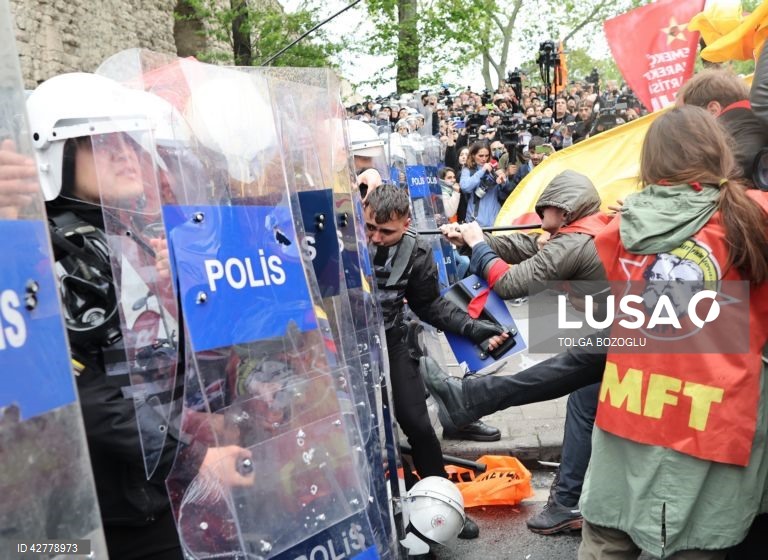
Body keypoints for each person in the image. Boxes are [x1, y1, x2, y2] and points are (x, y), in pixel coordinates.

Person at [27, 72, 253, 560]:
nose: (126, 154)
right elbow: (87, 394)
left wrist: (188, 293)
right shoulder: (52, 250)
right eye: (102, 143)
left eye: (129, 141)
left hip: (148, 489)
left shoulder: (124, 236)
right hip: (97, 512)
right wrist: (192, 458)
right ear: (55, 157)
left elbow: (164, 359)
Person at [577, 106, 768, 559]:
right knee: (696, 547)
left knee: (606, 540)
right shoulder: (751, 222)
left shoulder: (618, 229)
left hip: (630, 411)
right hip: (714, 424)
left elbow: (579, 317)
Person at [363, 183, 509, 540]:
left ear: (406, 223)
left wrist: (476, 330)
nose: (376, 238)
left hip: (393, 339)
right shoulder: (345, 242)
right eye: (370, 228)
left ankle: (443, 503)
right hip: (345, 347)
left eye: (386, 231)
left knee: (416, 421)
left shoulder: (417, 252)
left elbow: (430, 305)